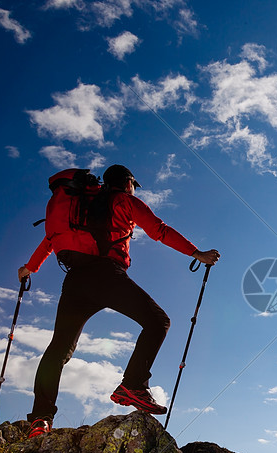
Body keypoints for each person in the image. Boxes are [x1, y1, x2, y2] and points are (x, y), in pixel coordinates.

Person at [19, 164, 220, 438]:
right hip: (106, 275)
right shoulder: (125, 201)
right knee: (157, 322)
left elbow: (50, 240)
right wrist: (197, 253)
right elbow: (159, 230)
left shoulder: (80, 205)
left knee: (59, 349)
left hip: (76, 280)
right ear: (127, 183)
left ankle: (40, 418)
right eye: (134, 185)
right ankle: (133, 384)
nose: (134, 189)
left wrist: (29, 268)